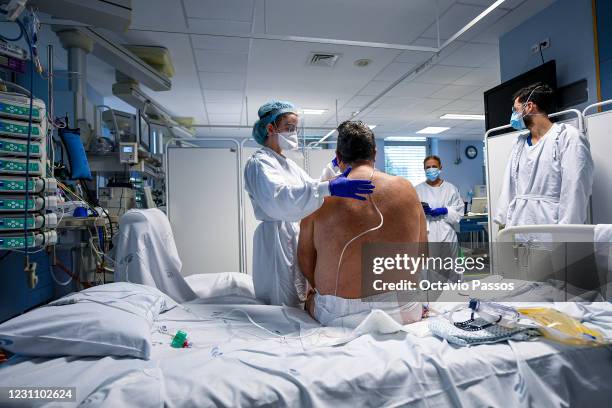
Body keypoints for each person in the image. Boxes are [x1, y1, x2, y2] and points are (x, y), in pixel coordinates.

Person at [244, 101, 375, 307]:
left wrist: (332, 170)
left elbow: (309, 188)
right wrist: (329, 187)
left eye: (295, 128)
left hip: (292, 234)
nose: (294, 133)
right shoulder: (260, 163)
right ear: (271, 129)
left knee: (296, 294)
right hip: (275, 239)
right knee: (280, 301)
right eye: (289, 128)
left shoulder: (286, 163)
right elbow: (280, 200)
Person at [298, 121, 427, 327]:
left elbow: (305, 260)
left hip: (338, 314)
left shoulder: (320, 198)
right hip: (402, 309)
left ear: (338, 158)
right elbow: (422, 252)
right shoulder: (406, 188)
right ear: (374, 153)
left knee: (309, 300)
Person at [494, 83, 594, 234]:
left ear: (529, 107)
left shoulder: (567, 137)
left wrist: (568, 233)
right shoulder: (519, 144)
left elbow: (575, 188)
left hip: (552, 228)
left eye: (516, 109)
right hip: (519, 226)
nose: (514, 115)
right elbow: (509, 186)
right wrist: (503, 222)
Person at [415, 155, 464, 261]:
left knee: (449, 267)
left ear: (440, 168)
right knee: (429, 267)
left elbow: (459, 213)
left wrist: (446, 210)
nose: (431, 169)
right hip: (427, 234)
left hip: (446, 233)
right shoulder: (417, 190)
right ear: (424, 169)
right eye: (428, 167)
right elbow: (410, 215)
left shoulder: (451, 189)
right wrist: (420, 211)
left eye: (434, 166)